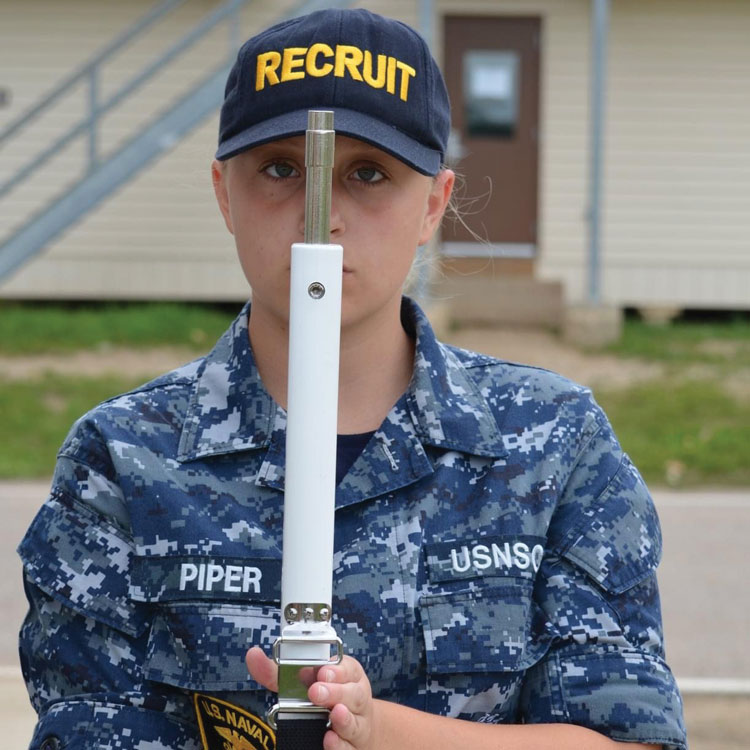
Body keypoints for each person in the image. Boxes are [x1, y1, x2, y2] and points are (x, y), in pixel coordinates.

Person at [18, 8, 687, 750]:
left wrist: (383, 732)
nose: (323, 217)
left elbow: (628, 736)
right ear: (222, 192)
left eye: (369, 174)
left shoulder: (552, 444)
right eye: (280, 169)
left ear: (434, 201)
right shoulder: (124, 459)